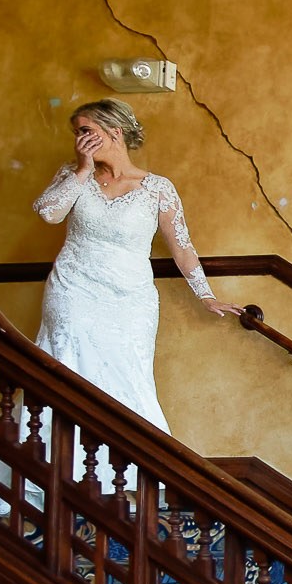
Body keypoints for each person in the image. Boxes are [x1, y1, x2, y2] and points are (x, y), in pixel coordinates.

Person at [31, 99, 242, 439]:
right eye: (76, 133)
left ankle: (125, 471)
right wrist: (82, 169)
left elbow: (182, 247)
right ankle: (53, 465)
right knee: (66, 366)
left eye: (87, 131)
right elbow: (48, 213)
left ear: (115, 133)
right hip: (73, 290)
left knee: (128, 376)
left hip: (130, 300)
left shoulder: (158, 188)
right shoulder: (73, 175)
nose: (79, 139)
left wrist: (206, 295)